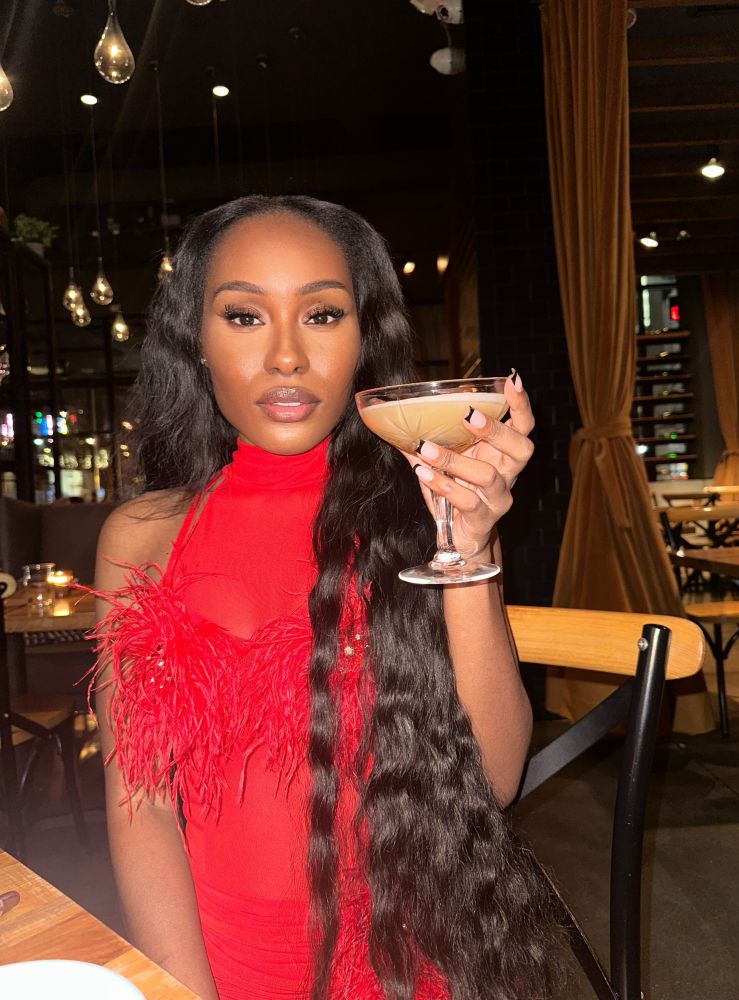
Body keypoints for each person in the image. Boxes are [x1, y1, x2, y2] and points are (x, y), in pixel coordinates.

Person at [91, 195, 563, 1000]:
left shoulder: (425, 514)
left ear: (363, 339)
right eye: (244, 317)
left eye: (322, 315)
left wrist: (471, 546)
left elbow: (495, 778)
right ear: (195, 340)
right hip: (210, 962)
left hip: (401, 965)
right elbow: (141, 806)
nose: (286, 357)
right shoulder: (138, 539)